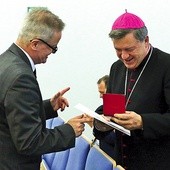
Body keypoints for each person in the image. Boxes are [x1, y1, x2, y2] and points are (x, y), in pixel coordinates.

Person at [0, 8, 92, 170]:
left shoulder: (6, 62)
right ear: (35, 43)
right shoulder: (21, 76)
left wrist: (49, 106)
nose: (53, 52)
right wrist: (69, 130)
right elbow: (29, 142)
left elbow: (10, 114)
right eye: (53, 48)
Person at [94, 11, 170, 170]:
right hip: (122, 160)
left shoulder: (166, 66)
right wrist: (100, 122)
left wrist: (143, 122)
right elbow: (111, 106)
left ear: (146, 40)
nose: (124, 56)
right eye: (118, 49)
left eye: (129, 49)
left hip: (157, 162)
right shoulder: (117, 67)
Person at [93, 75, 116, 159]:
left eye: (102, 92)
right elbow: (98, 134)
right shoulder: (100, 110)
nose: (100, 96)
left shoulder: (125, 111)